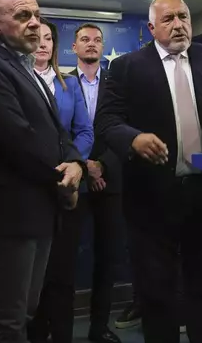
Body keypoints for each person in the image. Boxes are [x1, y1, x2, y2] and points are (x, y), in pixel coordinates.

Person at [95, 0, 202, 343]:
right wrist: (133, 139)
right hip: (150, 198)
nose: (179, 25)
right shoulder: (126, 67)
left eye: (184, 17)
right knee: (157, 294)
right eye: (168, 19)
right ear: (151, 28)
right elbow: (107, 121)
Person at [0, 0, 85, 343]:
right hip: (7, 218)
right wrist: (64, 183)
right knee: (5, 322)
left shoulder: (28, 72)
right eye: (22, 16)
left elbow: (59, 134)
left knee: (23, 313)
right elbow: (17, 139)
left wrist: (77, 164)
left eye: (37, 16)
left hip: (37, 213)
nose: (34, 24)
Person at [28, 17, 96, 343]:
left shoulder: (69, 85)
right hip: (29, 190)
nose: (43, 43)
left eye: (48, 39)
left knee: (63, 275)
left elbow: (84, 131)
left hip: (67, 188)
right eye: (36, 38)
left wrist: (72, 164)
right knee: (33, 277)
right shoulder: (17, 82)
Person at [69, 22, 125, 343]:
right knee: (62, 259)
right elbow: (58, 131)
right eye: (85, 40)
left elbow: (123, 128)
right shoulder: (61, 84)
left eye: (97, 40)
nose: (91, 44)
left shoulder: (116, 86)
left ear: (102, 48)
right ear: (74, 47)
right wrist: (84, 165)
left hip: (110, 181)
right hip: (74, 182)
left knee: (106, 259)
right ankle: (52, 327)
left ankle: (98, 329)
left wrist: (102, 165)